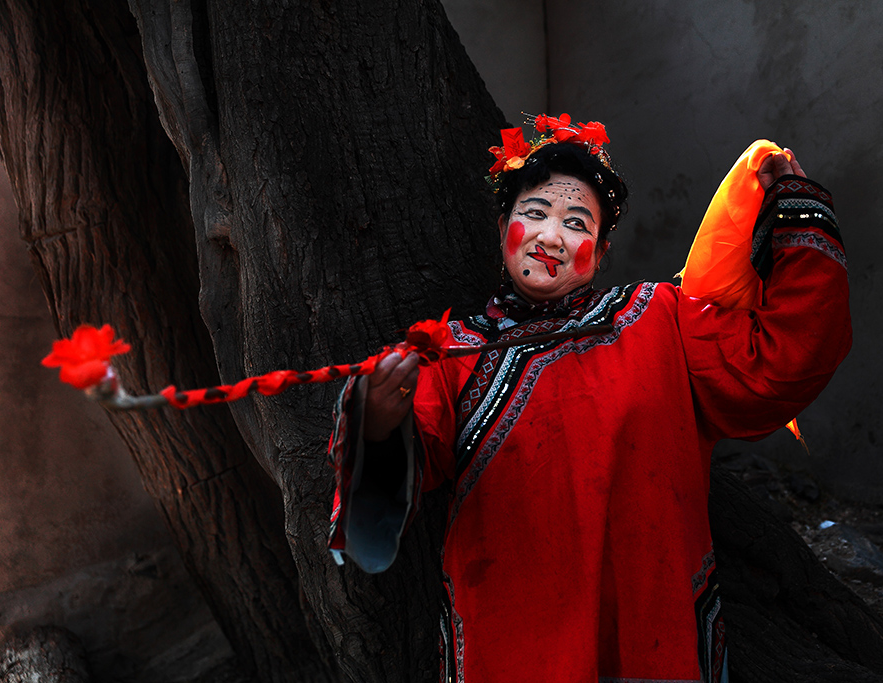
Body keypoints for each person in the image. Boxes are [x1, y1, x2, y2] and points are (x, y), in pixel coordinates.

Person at [327, 114, 851, 683]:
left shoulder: (661, 319)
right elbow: (401, 467)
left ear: (599, 254)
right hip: (510, 640)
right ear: (503, 228)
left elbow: (781, 362)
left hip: (650, 630)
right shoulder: (450, 354)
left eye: (576, 224)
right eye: (534, 214)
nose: (551, 237)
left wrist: (796, 215)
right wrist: (379, 422)